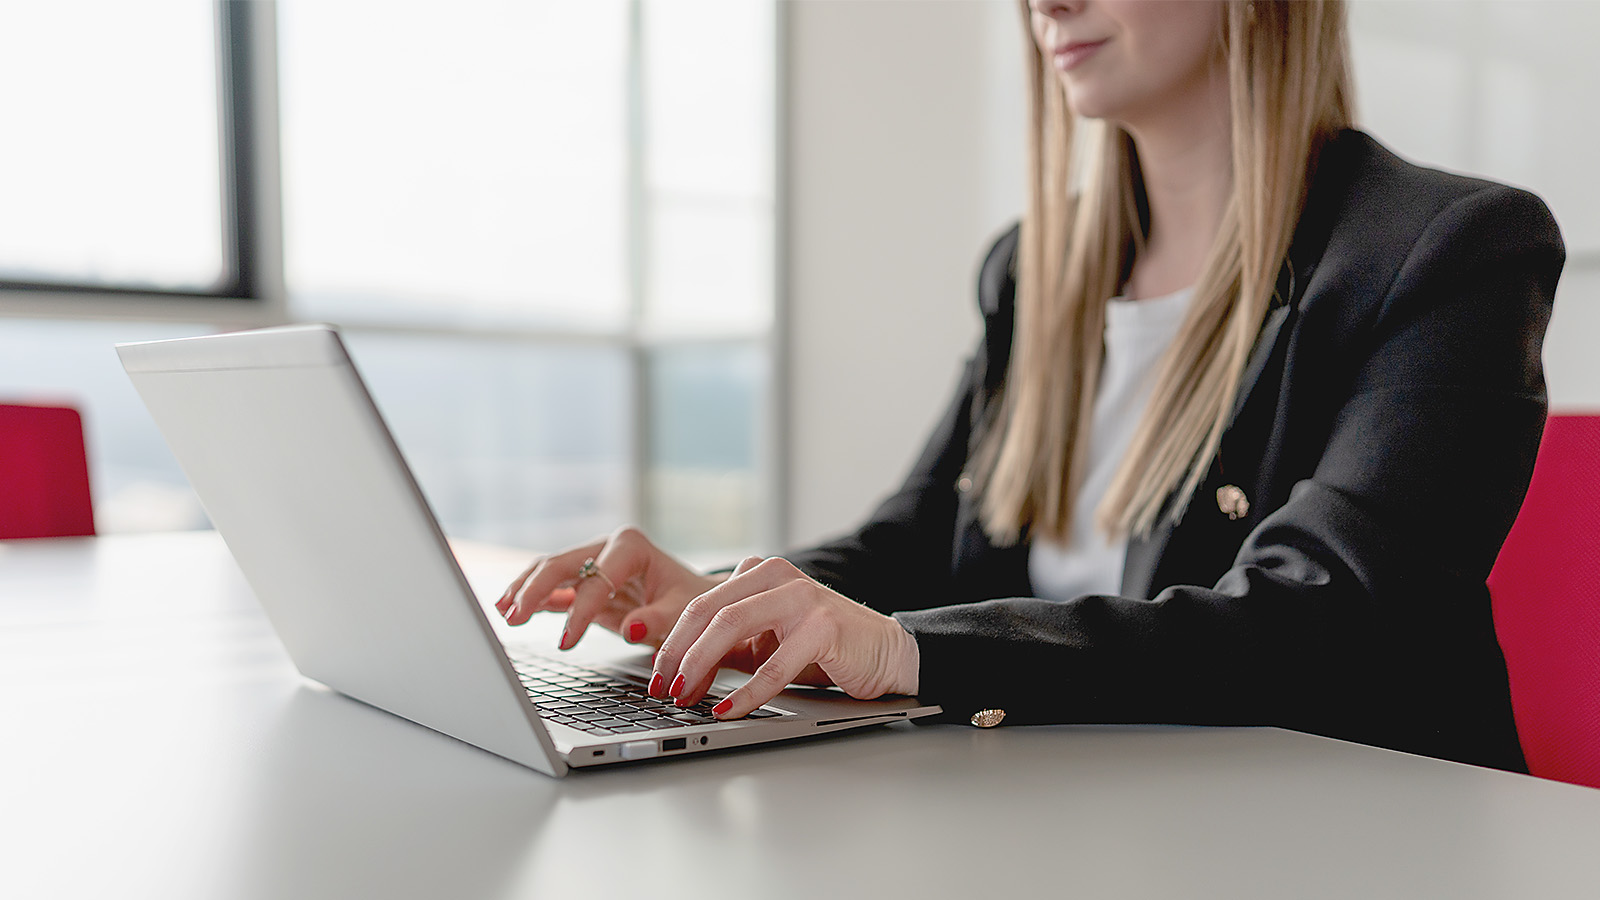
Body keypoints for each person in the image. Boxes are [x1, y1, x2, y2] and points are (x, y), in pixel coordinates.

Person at [496, 0, 1563, 771]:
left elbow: (1319, 624)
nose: (1044, 3)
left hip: (1344, 838)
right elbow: (910, 542)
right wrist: (726, 600)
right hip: (1072, 813)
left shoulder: (1446, 254)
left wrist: (913, 650)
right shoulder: (1036, 271)